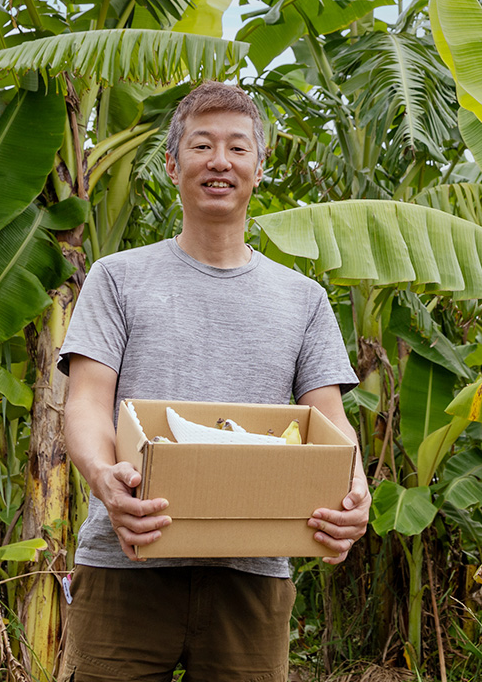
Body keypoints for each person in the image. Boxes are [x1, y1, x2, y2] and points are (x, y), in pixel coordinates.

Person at [57, 81, 370, 682]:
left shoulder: (303, 300)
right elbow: (87, 405)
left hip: (250, 576)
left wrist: (353, 494)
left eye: (237, 147)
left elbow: (331, 425)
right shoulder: (117, 278)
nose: (219, 161)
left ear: (259, 166)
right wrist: (105, 480)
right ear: (173, 166)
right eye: (202, 146)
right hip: (127, 562)